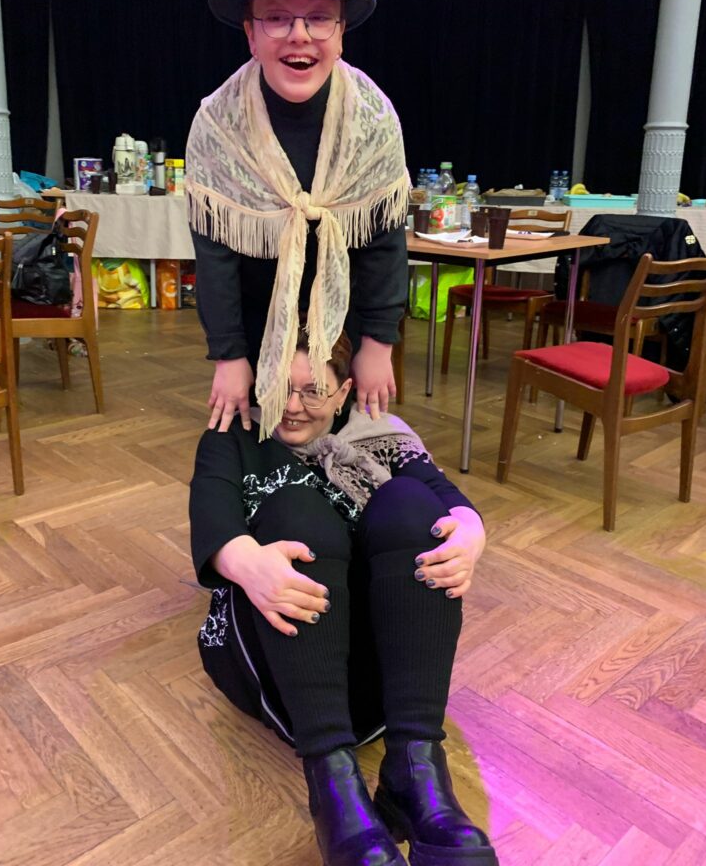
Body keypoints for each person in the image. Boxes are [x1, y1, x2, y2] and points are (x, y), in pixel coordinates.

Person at [190, 328, 499, 866]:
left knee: (410, 500)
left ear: (344, 392)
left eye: (313, 391)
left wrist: (470, 535)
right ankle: (331, 782)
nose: (292, 407)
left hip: (390, 682)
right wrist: (247, 563)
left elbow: (450, 501)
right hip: (285, 671)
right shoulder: (235, 435)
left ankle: (415, 766)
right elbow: (211, 515)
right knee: (296, 510)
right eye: (279, 388)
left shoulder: (382, 434)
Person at [185, 0, 409, 440]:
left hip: (346, 331)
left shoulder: (374, 119)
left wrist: (378, 344)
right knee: (256, 450)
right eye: (277, 18)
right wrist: (229, 356)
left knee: (342, 448)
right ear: (250, 33)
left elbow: (384, 243)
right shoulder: (217, 125)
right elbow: (215, 256)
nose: (299, 35)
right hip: (254, 323)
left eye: (319, 18)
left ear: (341, 32)